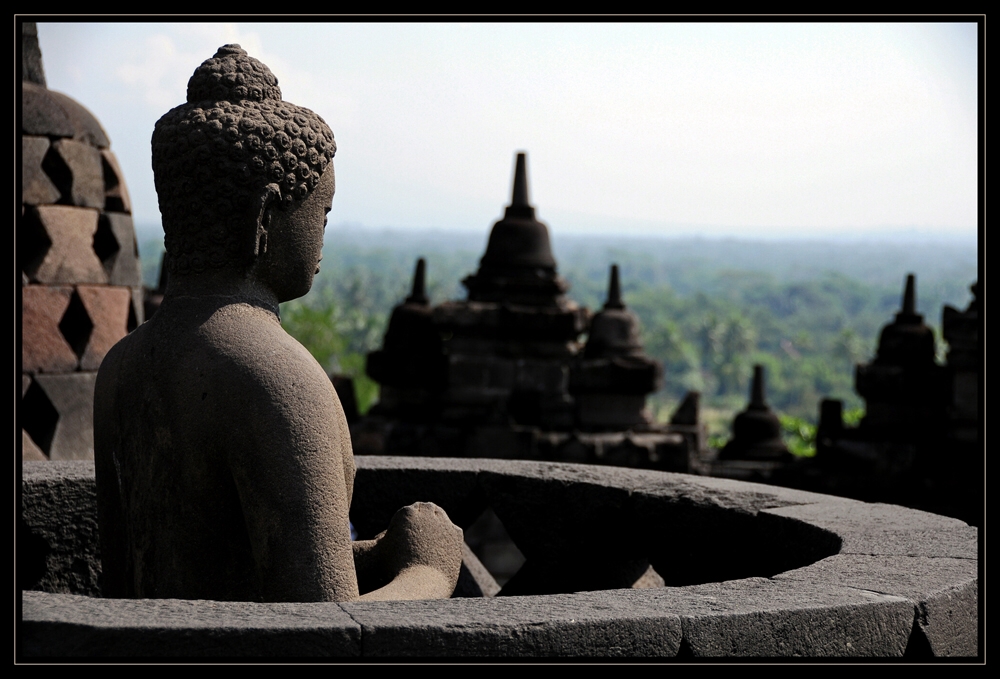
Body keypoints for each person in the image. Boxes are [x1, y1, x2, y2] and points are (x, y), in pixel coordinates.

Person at [94, 45, 463, 603]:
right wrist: (429, 569)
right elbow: (322, 631)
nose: (322, 238)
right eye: (323, 212)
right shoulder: (280, 383)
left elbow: (216, 563)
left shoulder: (119, 368)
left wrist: (380, 557)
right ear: (264, 217)